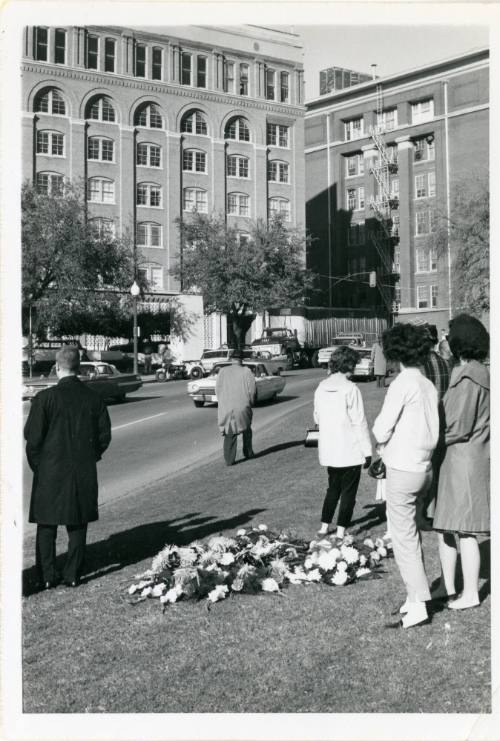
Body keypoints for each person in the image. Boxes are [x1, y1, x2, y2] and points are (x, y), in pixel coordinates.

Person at [24, 345, 112, 589]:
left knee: (46, 525)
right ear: (79, 366)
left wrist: (40, 467)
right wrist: (88, 457)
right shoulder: (93, 398)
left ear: (56, 366)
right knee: (77, 524)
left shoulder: (44, 399)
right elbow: (104, 437)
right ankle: (72, 574)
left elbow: (32, 440)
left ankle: (47, 575)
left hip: (49, 470)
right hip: (80, 470)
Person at [372, 324, 439, 628]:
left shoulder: (402, 382)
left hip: (403, 468)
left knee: (403, 539)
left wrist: (382, 442)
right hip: (425, 468)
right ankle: (414, 598)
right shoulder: (426, 383)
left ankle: (420, 604)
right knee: (410, 535)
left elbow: (381, 427)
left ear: (394, 353)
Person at [432, 314, 490, 610]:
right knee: (445, 526)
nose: (445, 340)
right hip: (458, 459)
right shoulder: (475, 371)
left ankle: (470, 593)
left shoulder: (469, 376)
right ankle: (448, 584)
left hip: (463, 460)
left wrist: (431, 436)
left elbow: (458, 426)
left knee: (465, 530)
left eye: (449, 335)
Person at [314, 346, 372, 541]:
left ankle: (324, 526)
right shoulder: (351, 388)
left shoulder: (321, 387)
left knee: (332, 489)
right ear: (350, 365)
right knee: (348, 492)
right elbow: (359, 421)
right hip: (350, 449)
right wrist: (367, 451)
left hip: (330, 449)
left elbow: (317, 416)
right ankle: (340, 530)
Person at [417, 323, 453, 529]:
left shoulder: (417, 367)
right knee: (438, 469)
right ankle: (435, 510)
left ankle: (422, 512)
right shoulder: (445, 363)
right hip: (442, 422)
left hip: (423, 425)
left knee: (422, 469)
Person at [215, 349, 257, 466]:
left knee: (230, 433)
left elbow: (218, 390)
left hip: (226, 407)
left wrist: (223, 402)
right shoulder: (247, 371)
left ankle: (229, 459)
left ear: (231, 359)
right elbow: (252, 391)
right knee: (247, 429)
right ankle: (248, 452)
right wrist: (251, 402)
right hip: (242, 407)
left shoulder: (222, 371)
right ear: (241, 360)